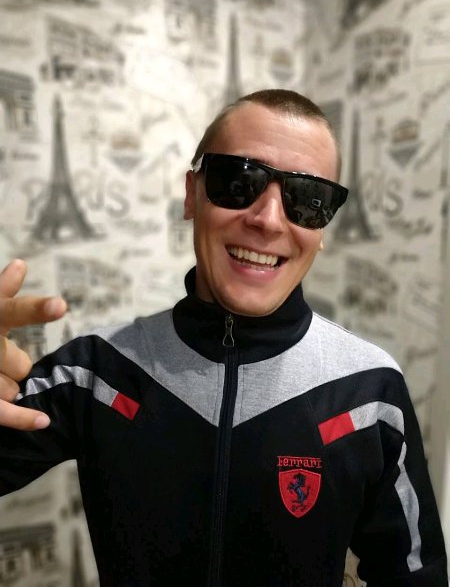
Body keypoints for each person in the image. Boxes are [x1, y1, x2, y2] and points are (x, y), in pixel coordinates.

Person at [0, 89, 447, 586]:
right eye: (238, 180)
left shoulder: (371, 391)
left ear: (323, 228)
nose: (268, 220)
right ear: (192, 194)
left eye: (308, 199)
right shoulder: (94, 372)